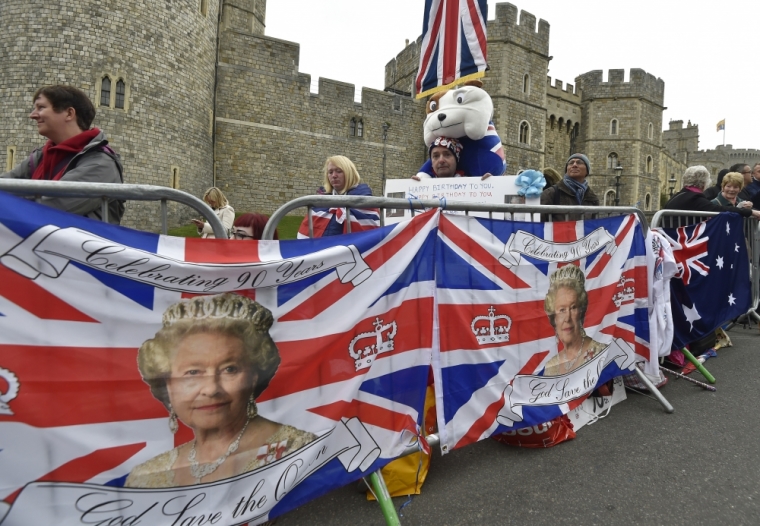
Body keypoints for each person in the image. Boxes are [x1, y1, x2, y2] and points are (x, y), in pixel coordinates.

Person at [126, 294, 316, 488]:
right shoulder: (145, 478)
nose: (211, 389)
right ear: (168, 384)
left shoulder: (295, 450)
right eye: (193, 372)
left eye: (229, 369)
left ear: (254, 376)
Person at [0, 85, 124, 224]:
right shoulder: (40, 157)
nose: (33, 115)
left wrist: (12, 198)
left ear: (69, 113)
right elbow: (4, 185)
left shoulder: (102, 164)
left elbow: (49, 208)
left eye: (41, 107)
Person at [543, 265, 607, 376]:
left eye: (573, 307)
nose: (567, 318)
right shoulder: (551, 367)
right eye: (562, 310)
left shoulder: (601, 353)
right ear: (554, 318)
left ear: (581, 311)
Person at [297, 155, 380, 238]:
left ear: (349, 173)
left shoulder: (365, 199)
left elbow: (371, 236)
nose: (334, 175)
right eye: (330, 172)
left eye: (339, 171)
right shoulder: (320, 201)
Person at [664, 165, 760, 219]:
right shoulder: (695, 198)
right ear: (703, 184)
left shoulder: (678, 195)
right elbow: (720, 209)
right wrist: (751, 212)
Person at [539, 153, 599, 221]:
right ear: (567, 169)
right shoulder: (551, 193)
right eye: (571, 163)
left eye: (579, 162)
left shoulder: (592, 198)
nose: (574, 165)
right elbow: (538, 223)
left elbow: (594, 226)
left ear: (587, 171)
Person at [412, 136, 493, 180]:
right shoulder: (423, 186)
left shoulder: (470, 184)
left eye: (447, 155)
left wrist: (489, 185)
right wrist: (414, 189)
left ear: (456, 159)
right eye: (436, 156)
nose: (441, 160)